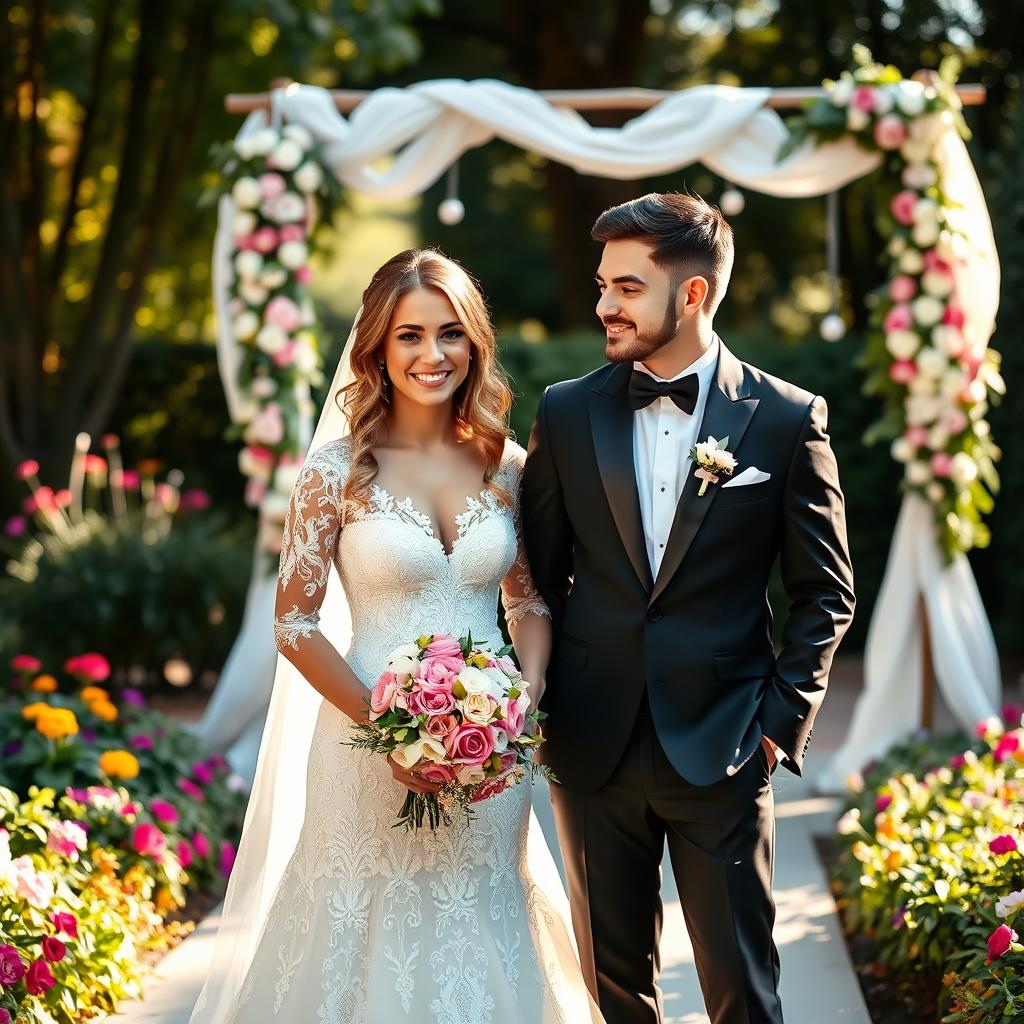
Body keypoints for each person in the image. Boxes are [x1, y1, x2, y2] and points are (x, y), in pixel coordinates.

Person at [189, 248, 602, 1023]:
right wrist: (391, 729)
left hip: (493, 759)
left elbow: (531, 604)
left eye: (450, 334)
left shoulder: (506, 467)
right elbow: (294, 623)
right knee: (362, 925)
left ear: (474, 345)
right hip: (361, 743)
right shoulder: (333, 472)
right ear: (377, 345)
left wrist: (524, 696)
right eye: (410, 335)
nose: (431, 354)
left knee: (479, 917)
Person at [522, 191, 856, 1024]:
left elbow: (826, 592)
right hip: (592, 746)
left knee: (743, 987)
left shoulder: (784, 418)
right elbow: (533, 581)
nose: (605, 304)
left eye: (628, 288)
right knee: (612, 992)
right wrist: (542, 702)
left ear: (694, 293)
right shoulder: (566, 411)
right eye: (603, 284)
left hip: (728, 745)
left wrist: (778, 722)